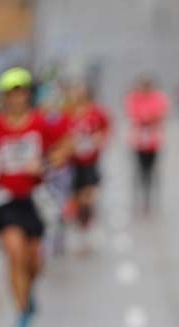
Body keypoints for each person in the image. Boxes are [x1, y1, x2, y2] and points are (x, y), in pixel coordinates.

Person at [0, 67, 70, 327]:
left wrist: (46, 162)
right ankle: (21, 311)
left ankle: (28, 292)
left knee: (34, 263)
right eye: (11, 93)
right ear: (4, 96)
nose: (16, 98)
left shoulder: (41, 123)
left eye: (21, 92)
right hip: (5, 200)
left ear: (28, 95)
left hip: (35, 200)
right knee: (15, 254)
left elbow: (66, 144)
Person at [66, 81, 111, 231]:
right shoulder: (67, 112)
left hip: (91, 160)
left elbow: (106, 128)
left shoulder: (96, 112)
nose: (78, 95)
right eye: (76, 92)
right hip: (72, 162)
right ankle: (79, 217)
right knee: (77, 195)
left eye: (81, 92)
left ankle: (86, 218)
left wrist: (100, 139)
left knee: (89, 194)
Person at [124, 75, 169, 217]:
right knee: (139, 170)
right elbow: (132, 113)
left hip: (154, 140)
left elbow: (161, 113)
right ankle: (139, 197)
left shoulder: (158, 98)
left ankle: (149, 198)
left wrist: (150, 118)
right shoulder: (133, 98)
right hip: (138, 140)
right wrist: (144, 118)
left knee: (151, 170)